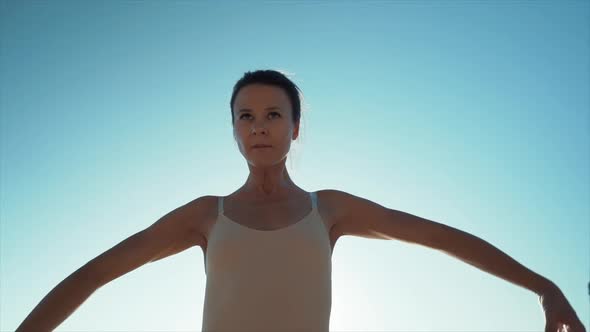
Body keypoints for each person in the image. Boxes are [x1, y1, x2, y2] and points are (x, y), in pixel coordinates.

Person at [16, 69, 585, 332]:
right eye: (245, 116)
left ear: (294, 129)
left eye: (272, 115)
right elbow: (95, 274)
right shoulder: (204, 216)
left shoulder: (329, 209)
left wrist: (546, 287)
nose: (258, 126)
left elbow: (440, 236)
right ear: (234, 131)